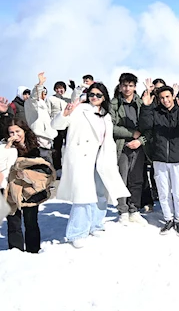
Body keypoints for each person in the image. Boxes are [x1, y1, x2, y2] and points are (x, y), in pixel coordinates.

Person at [51, 83, 130, 248]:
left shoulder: (106, 116)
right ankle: (77, 232)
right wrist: (64, 114)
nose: (94, 97)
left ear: (104, 98)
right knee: (83, 195)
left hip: (101, 157)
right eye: (92, 94)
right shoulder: (80, 109)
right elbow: (57, 126)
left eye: (98, 95)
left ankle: (96, 224)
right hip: (82, 157)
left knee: (101, 193)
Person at [139, 80, 179, 236]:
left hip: (178, 159)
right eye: (162, 97)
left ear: (172, 96)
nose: (165, 100)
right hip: (160, 158)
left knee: (178, 192)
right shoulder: (155, 111)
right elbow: (145, 125)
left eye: (168, 97)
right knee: (163, 192)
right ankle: (168, 218)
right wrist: (146, 106)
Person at [1, 118, 55, 253]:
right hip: (10, 188)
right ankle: (16, 252)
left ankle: (33, 251)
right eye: (11, 132)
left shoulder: (34, 145)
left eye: (17, 131)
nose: (15, 135)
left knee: (31, 221)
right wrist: (7, 147)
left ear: (24, 130)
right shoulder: (4, 146)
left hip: (30, 189)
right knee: (14, 222)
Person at [110, 73, 149, 225]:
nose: (127, 88)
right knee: (122, 178)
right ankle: (123, 211)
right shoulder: (114, 104)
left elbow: (148, 126)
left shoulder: (140, 103)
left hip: (138, 146)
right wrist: (131, 134)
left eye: (131, 85)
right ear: (120, 86)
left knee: (137, 179)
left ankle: (134, 209)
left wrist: (140, 140)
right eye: (125, 85)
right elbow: (110, 126)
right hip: (121, 146)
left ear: (135, 87)